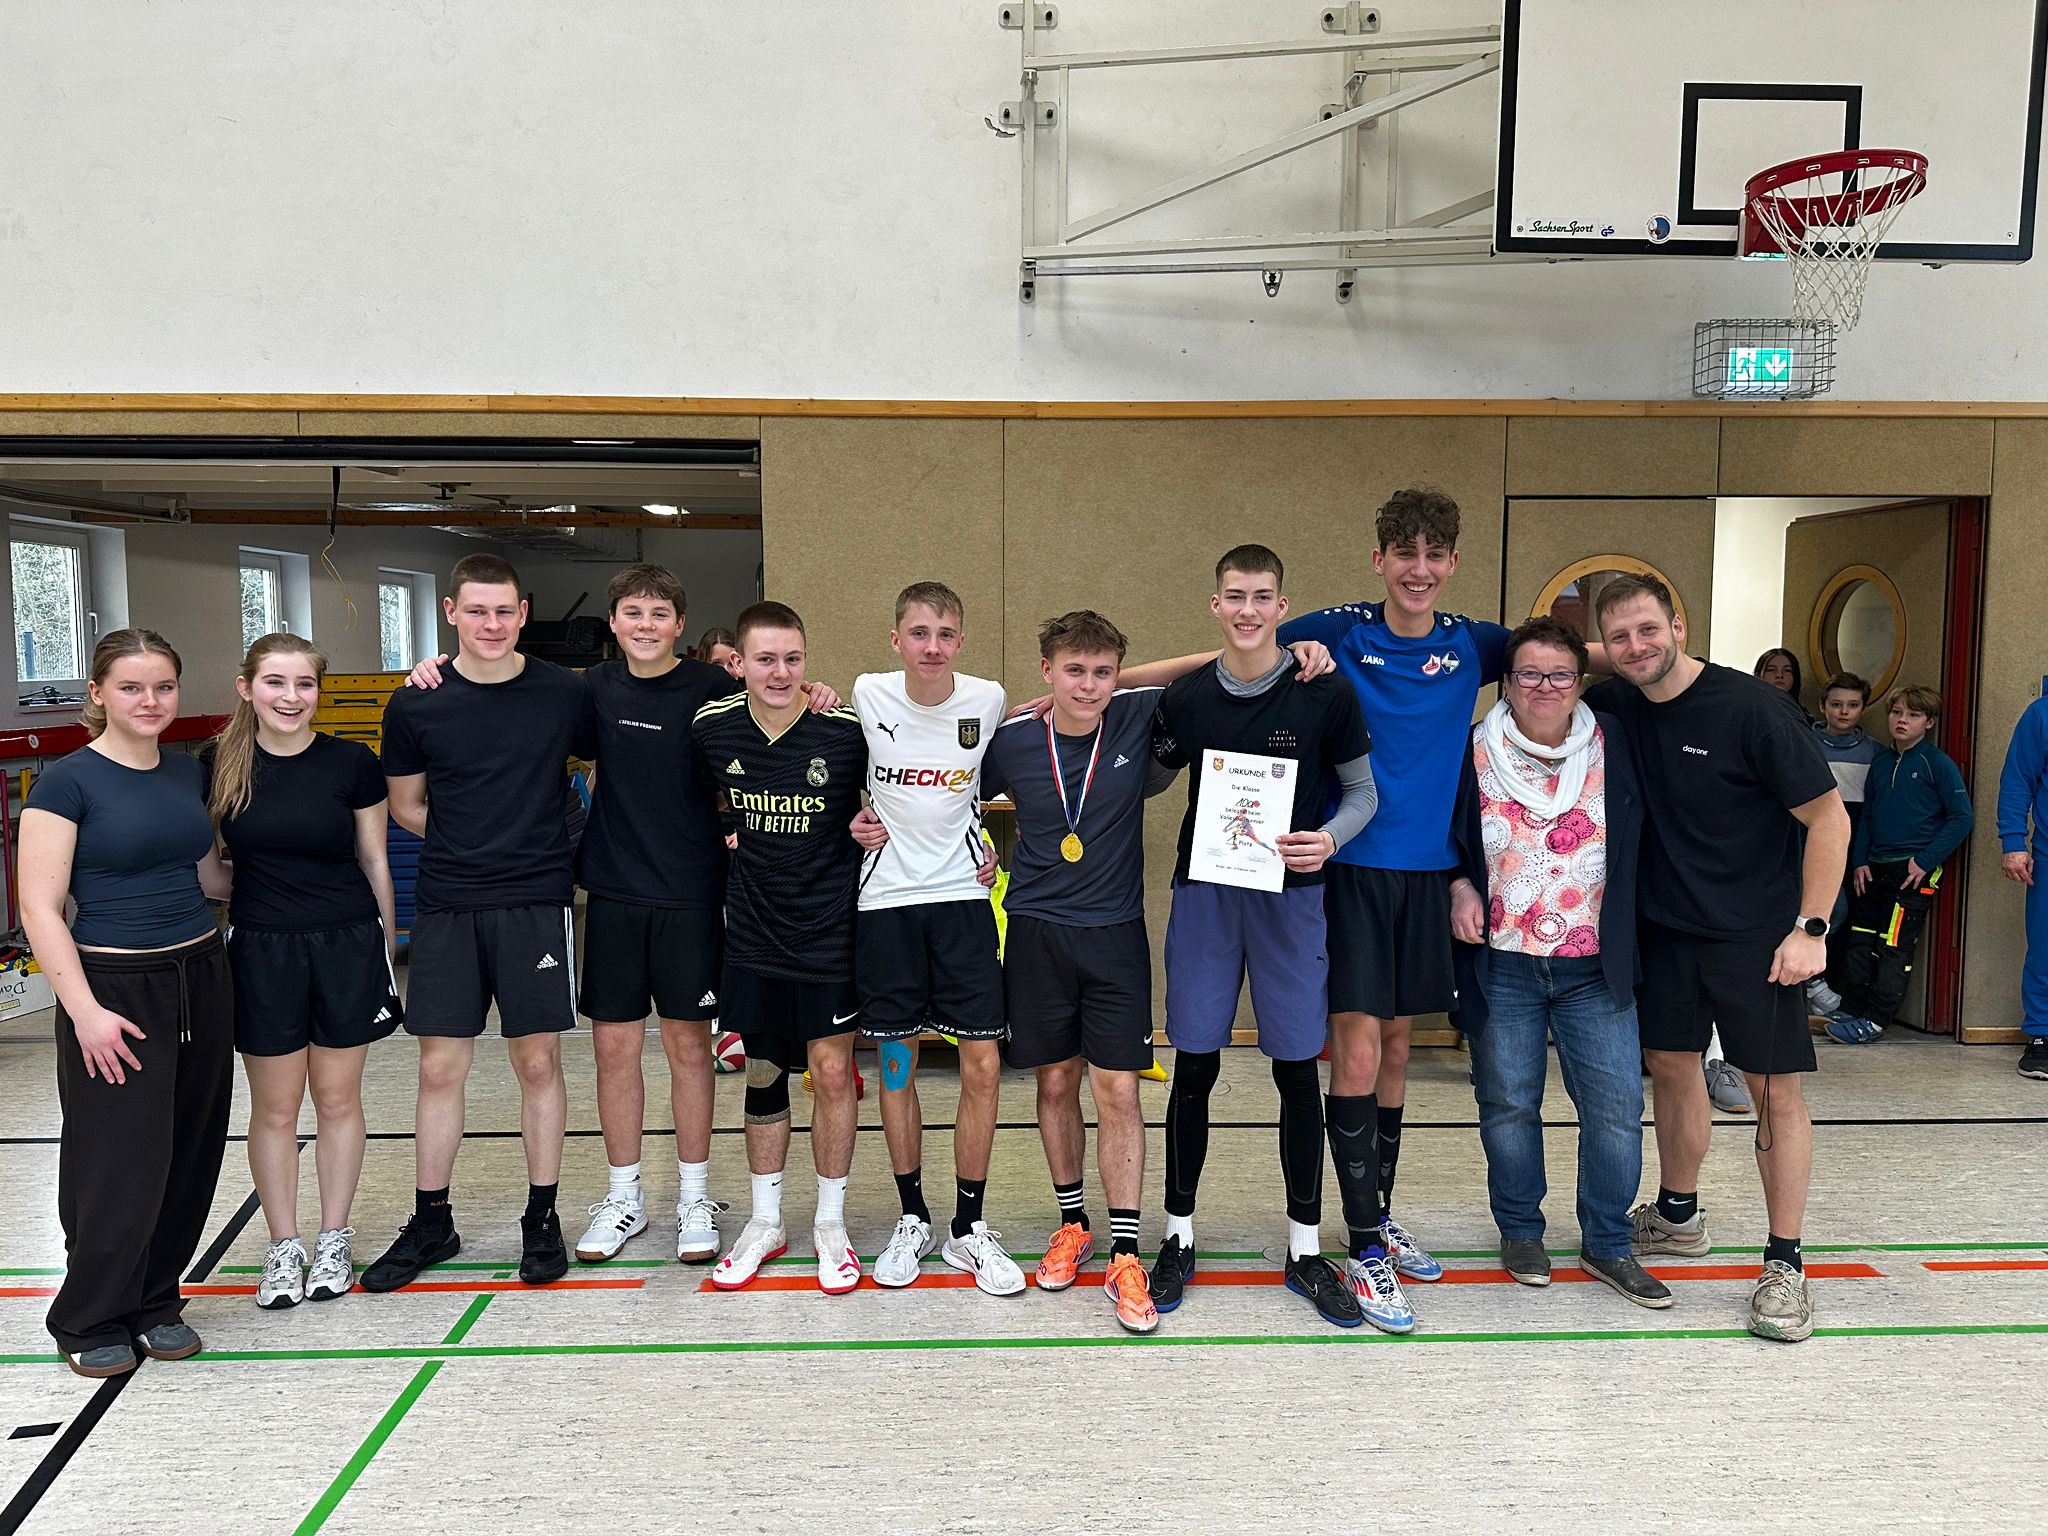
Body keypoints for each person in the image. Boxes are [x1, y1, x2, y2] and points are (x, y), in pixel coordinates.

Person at [1270, 488, 1519, 1306]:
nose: (1419, 569)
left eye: (1433, 555)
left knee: (1401, 1048)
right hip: (1350, 867)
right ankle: (1364, 1244)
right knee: (1358, 1048)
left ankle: (1373, 1214)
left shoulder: (1474, 643)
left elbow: (1566, 655)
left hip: (1426, 875)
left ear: (1453, 562)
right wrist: (1111, 685)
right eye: (1404, 553)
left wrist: (1661, 654)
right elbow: (1234, 652)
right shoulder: (1340, 631)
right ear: (1379, 559)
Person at [1589, 574, 1848, 1343]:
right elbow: (1564, 661)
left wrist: (1811, 929)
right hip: (1664, 930)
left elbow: (1829, 819)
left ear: (1679, 625)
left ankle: (1785, 1264)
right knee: (1673, 1069)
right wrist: (1608, 654)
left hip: (1755, 937)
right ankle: (1678, 1215)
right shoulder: (1617, 704)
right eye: (1620, 637)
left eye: (1649, 630)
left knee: (1773, 1092)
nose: (1637, 647)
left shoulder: (1753, 709)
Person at [1148, 545, 1380, 1331]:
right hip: (1207, 896)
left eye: (1262, 597)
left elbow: (1363, 794)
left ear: (1282, 607)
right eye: (1234, 596)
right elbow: (1149, 774)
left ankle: (1305, 1251)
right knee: (1194, 1066)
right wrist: (1097, 717)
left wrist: (1331, 839)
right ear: (1215, 605)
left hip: (1292, 899)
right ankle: (1177, 1237)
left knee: (1294, 1072)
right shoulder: (1185, 698)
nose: (1247, 609)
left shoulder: (1325, 690)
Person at [364, 553, 598, 1292]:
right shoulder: (416, 702)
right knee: (440, 1068)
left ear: (523, 614)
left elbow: (623, 747)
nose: (491, 624)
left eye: (503, 611)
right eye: (476, 611)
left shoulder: (564, 693)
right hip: (449, 903)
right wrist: (473, 841)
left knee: (539, 1063)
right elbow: (406, 805)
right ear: (451, 614)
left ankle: (542, 1216)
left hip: (535, 902)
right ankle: (432, 1220)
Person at [17, 629, 234, 1377]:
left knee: (191, 1147)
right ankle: (89, 1315)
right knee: (118, 1158)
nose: (150, 701)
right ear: (99, 694)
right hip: (113, 986)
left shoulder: (185, 772)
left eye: (164, 687)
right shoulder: (67, 783)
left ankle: (154, 1300)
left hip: (201, 973)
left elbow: (209, 876)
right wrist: (84, 1012)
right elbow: (40, 908)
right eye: (132, 687)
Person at [1449, 616, 1669, 1308]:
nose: (1544, 686)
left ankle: (1608, 1242)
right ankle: (1521, 1231)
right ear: (1506, 681)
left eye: (1561, 674)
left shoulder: (1617, 741)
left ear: (1581, 680)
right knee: (1508, 1104)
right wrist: (1457, 885)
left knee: (1615, 1108)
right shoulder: (1470, 748)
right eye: (1529, 673)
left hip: (1595, 966)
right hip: (1504, 963)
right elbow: (1444, 837)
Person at [982, 611, 1180, 1333]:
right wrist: (978, 847)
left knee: (1118, 1089)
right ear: (1047, 671)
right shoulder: (1010, 738)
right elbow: (951, 794)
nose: (1089, 685)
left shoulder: (1133, 718)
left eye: (1103, 672)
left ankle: (1126, 1252)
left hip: (1115, 938)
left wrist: (1126, 682)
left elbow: (1211, 667)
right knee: (1055, 1082)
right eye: (1074, 671)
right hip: (1036, 935)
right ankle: (1073, 1225)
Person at [210, 635, 402, 1309]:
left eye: (304, 684)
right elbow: (208, 869)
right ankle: (284, 1245)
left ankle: (333, 1238)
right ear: (247, 688)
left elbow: (375, 861)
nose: (291, 697)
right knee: (275, 1108)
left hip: (346, 944)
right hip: (262, 950)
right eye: (275, 682)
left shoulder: (353, 762)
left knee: (338, 1100)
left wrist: (385, 946)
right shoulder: (218, 764)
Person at [846, 582, 1020, 1296]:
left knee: (983, 1066)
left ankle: (967, 1228)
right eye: (919, 633)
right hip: (886, 904)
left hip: (962, 904)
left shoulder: (987, 699)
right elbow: (820, 754)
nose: (932, 647)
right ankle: (912, 1216)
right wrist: (848, 820)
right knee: (897, 1066)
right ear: (896, 640)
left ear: (961, 641)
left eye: (945, 634)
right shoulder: (866, 694)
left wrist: (991, 848)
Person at [692, 602, 869, 1293]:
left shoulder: (843, 730)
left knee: (832, 1074)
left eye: (793, 659)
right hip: (753, 934)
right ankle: (766, 1221)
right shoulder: (711, 727)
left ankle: (830, 1222)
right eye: (765, 659)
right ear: (739, 663)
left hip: (829, 932)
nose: (780, 672)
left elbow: (893, 800)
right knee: (763, 1074)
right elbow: (694, 802)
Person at [1826, 685, 1973, 1043]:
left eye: (1913, 715)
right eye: (1897, 713)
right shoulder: (1881, 762)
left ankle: (1876, 1020)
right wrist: (1860, 861)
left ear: (1929, 722)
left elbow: (1961, 818)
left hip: (1911, 873)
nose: (1902, 720)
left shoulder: (1937, 764)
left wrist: (1924, 861)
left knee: (1894, 946)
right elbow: (1868, 817)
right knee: (1861, 940)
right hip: (1872, 868)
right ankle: (1852, 1006)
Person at [1808, 671, 1877, 1019]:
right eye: (1836, 704)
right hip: (1813, 840)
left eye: (1853, 705)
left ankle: (1820, 983)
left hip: (1857, 843)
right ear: (1823, 707)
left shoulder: (1875, 752)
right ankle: (1810, 982)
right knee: (1829, 910)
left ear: (1863, 708)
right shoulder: (1806, 744)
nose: (1844, 712)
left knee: (1847, 917)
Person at [1997, 692, 2048, 1079]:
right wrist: (2014, 842)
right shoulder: (2041, 714)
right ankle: (2042, 1035)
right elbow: (2017, 780)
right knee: (2045, 951)